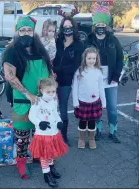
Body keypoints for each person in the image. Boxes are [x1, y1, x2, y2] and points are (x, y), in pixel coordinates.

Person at [2, 15, 53, 179]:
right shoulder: (11, 50)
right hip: (23, 101)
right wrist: (28, 94)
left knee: (39, 132)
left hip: (42, 101)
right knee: (22, 135)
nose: (25, 33)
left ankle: (38, 155)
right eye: (22, 30)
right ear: (17, 32)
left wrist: (50, 88)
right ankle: (21, 162)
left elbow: (48, 70)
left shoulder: (40, 49)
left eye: (28, 30)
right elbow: (10, 77)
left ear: (33, 32)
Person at [86, 2, 123, 143]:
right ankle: (98, 130)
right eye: (98, 24)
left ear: (106, 25)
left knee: (112, 107)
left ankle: (113, 131)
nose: (100, 27)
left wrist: (116, 76)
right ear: (94, 25)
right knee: (97, 106)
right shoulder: (89, 40)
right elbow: (84, 58)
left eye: (103, 24)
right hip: (95, 79)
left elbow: (120, 59)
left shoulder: (113, 40)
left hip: (111, 79)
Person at [28, 78, 68, 187]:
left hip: (53, 132)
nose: (51, 94)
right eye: (48, 92)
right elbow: (31, 116)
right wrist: (39, 122)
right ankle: (46, 174)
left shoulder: (53, 101)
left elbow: (55, 113)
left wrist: (59, 121)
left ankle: (51, 167)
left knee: (50, 153)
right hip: (42, 134)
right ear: (41, 90)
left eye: (53, 91)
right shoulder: (37, 101)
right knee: (44, 155)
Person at [53, 16, 85, 146]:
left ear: (74, 27)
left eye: (69, 26)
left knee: (62, 107)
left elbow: (76, 64)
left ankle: (63, 135)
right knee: (49, 107)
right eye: (64, 27)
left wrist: (59, 70)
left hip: (65, 81)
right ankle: (50, 134)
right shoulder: (56, 41)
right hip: (51, 78)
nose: (67, 29)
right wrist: (52, 70)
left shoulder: (79, 45)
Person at [72, 47, 106, 149]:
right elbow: (75, 87)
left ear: (96, 59)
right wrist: (75, 101)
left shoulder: (98, 72)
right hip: (82, 101)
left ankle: (91, 139)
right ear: (85, 58)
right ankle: (81, 139)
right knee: (82, 121)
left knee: (92, 122)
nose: (91, 61)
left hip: (94, 102)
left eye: (93, 58)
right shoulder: (80, 71)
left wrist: (103, 102)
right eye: (89, 58)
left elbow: (101, 88)